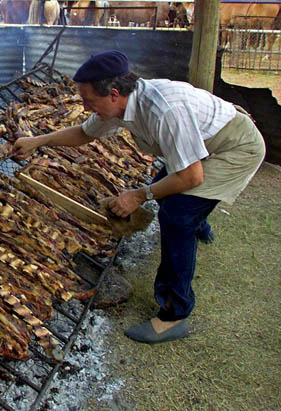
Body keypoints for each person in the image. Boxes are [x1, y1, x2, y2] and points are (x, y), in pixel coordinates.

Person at [13, 50, 265, 344]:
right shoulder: (121, 106)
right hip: (204, 145)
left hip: (233, 148)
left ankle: (174, 315)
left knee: (176, 216)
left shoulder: (164, 110)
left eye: (88, 101)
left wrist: (138, 195)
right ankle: (199, 223)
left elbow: (191, 177)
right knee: (166, 187)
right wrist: (37, 141)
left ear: (114, 94)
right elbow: (84, 134)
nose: (84, 107)